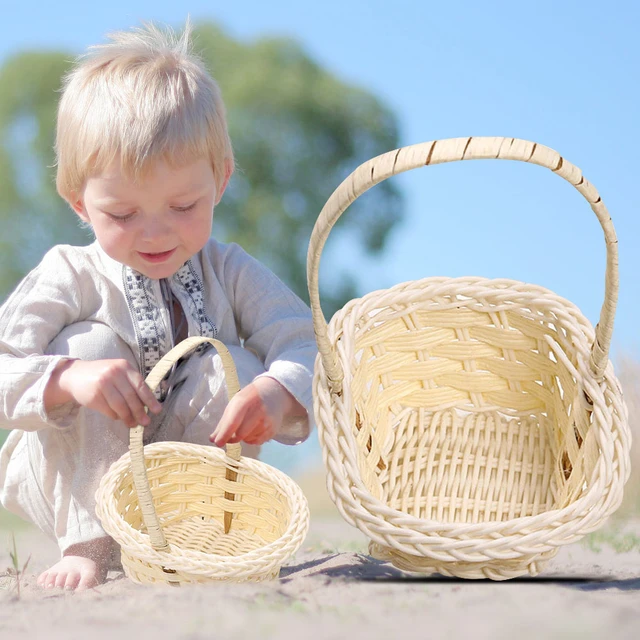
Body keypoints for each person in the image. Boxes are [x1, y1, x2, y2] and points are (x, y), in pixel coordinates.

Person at [0, 21, 316, 591]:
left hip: (187, 483)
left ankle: (211, 533)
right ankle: (90, 544)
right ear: (79, 201)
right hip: (79, 480)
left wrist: (283, 388)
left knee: (242, 369)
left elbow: (305, 338)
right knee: (86, 347)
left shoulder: (230, 269)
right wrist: (68, 379)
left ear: (220, 180)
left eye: (183, 204)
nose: (154, 232)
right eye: (122, 215)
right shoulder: (68, 273)